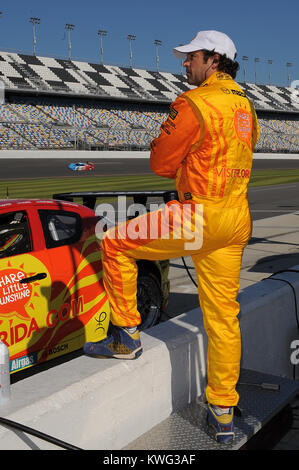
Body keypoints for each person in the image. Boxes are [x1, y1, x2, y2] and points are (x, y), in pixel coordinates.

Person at [84, 30, 260, 444]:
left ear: (213, 60)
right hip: (236, 219)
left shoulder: (194, 102)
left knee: (114, 243)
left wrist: (182, 168)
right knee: (223, 319)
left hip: (198, 216)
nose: (184, 63)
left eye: (191, 56)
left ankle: (127, 336)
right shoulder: (247, 107)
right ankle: (221, 412)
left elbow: (161, 162)